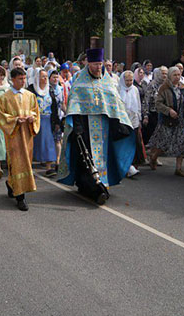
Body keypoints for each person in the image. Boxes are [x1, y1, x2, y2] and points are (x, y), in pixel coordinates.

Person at [57, 49, 135, 205]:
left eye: (100, 64)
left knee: (103, 158)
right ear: (88, 64)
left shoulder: (108, 83)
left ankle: (101, 184)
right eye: (95, 64)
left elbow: (116, 105)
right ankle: (94, 188)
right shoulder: (80, 83)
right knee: (86, 159)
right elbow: (75, 106)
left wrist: (119, 124)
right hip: (85, 129)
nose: (98, 67)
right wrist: (77, 127)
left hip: (104, 129)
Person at [0, 67, 39, 211]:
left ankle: (10, 183)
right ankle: (20, 197)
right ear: (13, 80)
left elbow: (35, 111)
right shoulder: (5, 97)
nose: (23, 81)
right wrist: (15, 120)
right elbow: (2, 116)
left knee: (26, 162)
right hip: (14, 136)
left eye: (24, 78)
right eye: (20, 79)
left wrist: (32, 118)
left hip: (27, 135)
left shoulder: (30, 95)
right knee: (16, 163)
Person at [148, 66, 184, 176]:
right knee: (163, 143)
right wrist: (168, 110)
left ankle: (178, 168)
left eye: (178, 75)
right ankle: (153, 157)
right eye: (174, 75)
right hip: (167, 120)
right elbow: (158, 104)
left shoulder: (182, 87)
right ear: (170, 76)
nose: (177, 77)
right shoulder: (164, 88)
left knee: (181, 143)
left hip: (180, 119)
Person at [119, 71, 145, 177]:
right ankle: (125, 167)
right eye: (127, 80)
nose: (129, 83)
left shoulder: (134, 90)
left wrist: (139, 119)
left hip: (133, 121)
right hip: (122, 121)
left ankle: (132, 165)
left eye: (131, 80)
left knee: (134, 143)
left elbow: (138, 105)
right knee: (124, 145)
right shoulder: (118, 90)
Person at [31, 68, 58, 173]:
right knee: (35, 143)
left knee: (49, 143)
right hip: (35, 120)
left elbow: (54, 106)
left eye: (46, 76)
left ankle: (49, 167)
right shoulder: (31, 90)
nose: (45, 79)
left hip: (48, 120)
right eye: (43, 76)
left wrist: (56, 121)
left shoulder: (49, 90)